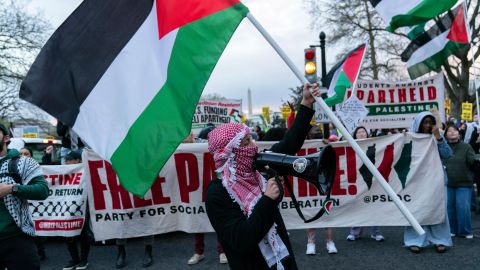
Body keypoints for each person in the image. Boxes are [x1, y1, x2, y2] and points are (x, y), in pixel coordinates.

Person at [205, 83, 320, 270]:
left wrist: (306, 103)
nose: (254, 145)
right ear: (232, 152)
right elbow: (242, 240)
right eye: (247, 141)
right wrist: (267, 200)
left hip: (283, 261)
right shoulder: (217, 193)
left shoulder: (258, 169)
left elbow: (288, 144)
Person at [0, 123, 49, 269]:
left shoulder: (24, 162)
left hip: (16, 239)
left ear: (6, 138)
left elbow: (42, 190)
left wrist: (12, 189)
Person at [404, 112, 453, 253]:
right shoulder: (411, 138)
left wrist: (438, 137)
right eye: (424, 122)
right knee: (417, 209)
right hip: (417, 181)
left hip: (436, 180)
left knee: (438, 210)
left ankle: (440, 239)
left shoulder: (438, 137)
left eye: (430, 122)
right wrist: (404, 137)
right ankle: (415, 240)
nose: (427, 125)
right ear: (419, 124)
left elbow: (448, 155)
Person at [182, 132, 228, 265]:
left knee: (218, 217)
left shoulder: (203, 146)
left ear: (191, 136)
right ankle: (199, 252)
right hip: (194, 191)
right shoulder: (177, 149)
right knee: (197, 219)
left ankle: (222, 251)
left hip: (211, 188)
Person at [346, 127, 385, 242]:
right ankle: (355, 232)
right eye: (359, 132)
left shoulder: (374, 145)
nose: (361, 134)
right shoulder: (350, 146)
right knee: (357, 206)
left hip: (372, 180)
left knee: (373, 204)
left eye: (363, 131)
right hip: (357, 180)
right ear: (355, 135)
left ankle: (376, 232)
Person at [443, 124, 477, 239]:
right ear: (445, 135)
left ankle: (465, 231)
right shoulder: (443, 147)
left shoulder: (466, 147)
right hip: (447, 183)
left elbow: (472, 160)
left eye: (455, 130)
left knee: (463, 208)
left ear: (459, 133)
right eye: (449, 131)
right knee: (449, 208)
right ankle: (451, 230)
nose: (452, 132)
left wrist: (475, 161)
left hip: (464, 182)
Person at [63, 151, 91, 270]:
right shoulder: (62, 171)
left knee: (83, 234)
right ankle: (74, 259)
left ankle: (83, 260)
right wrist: (47, 156)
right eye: (65, 159)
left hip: (82, 207)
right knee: (68, 233)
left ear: (78, 160)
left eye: (69, 159)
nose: (66, 162)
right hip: (65, 207)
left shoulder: (85, 171)